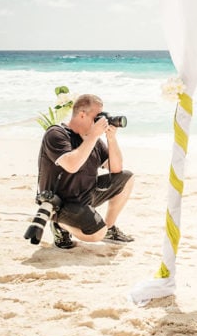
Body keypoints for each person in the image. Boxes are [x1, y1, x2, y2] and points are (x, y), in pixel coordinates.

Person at [37, 94, 135, 249]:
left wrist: (111, 139)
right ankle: (60, 225)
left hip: (86, 195)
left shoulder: (92, 139)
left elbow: (116, 169)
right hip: (61, 203)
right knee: (97, 234)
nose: (100, 122)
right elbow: (71, 165)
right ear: (82, 114)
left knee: (127, 177)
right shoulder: (56, 134)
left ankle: (109, 228)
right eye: (97, 117)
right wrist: (93, 136)